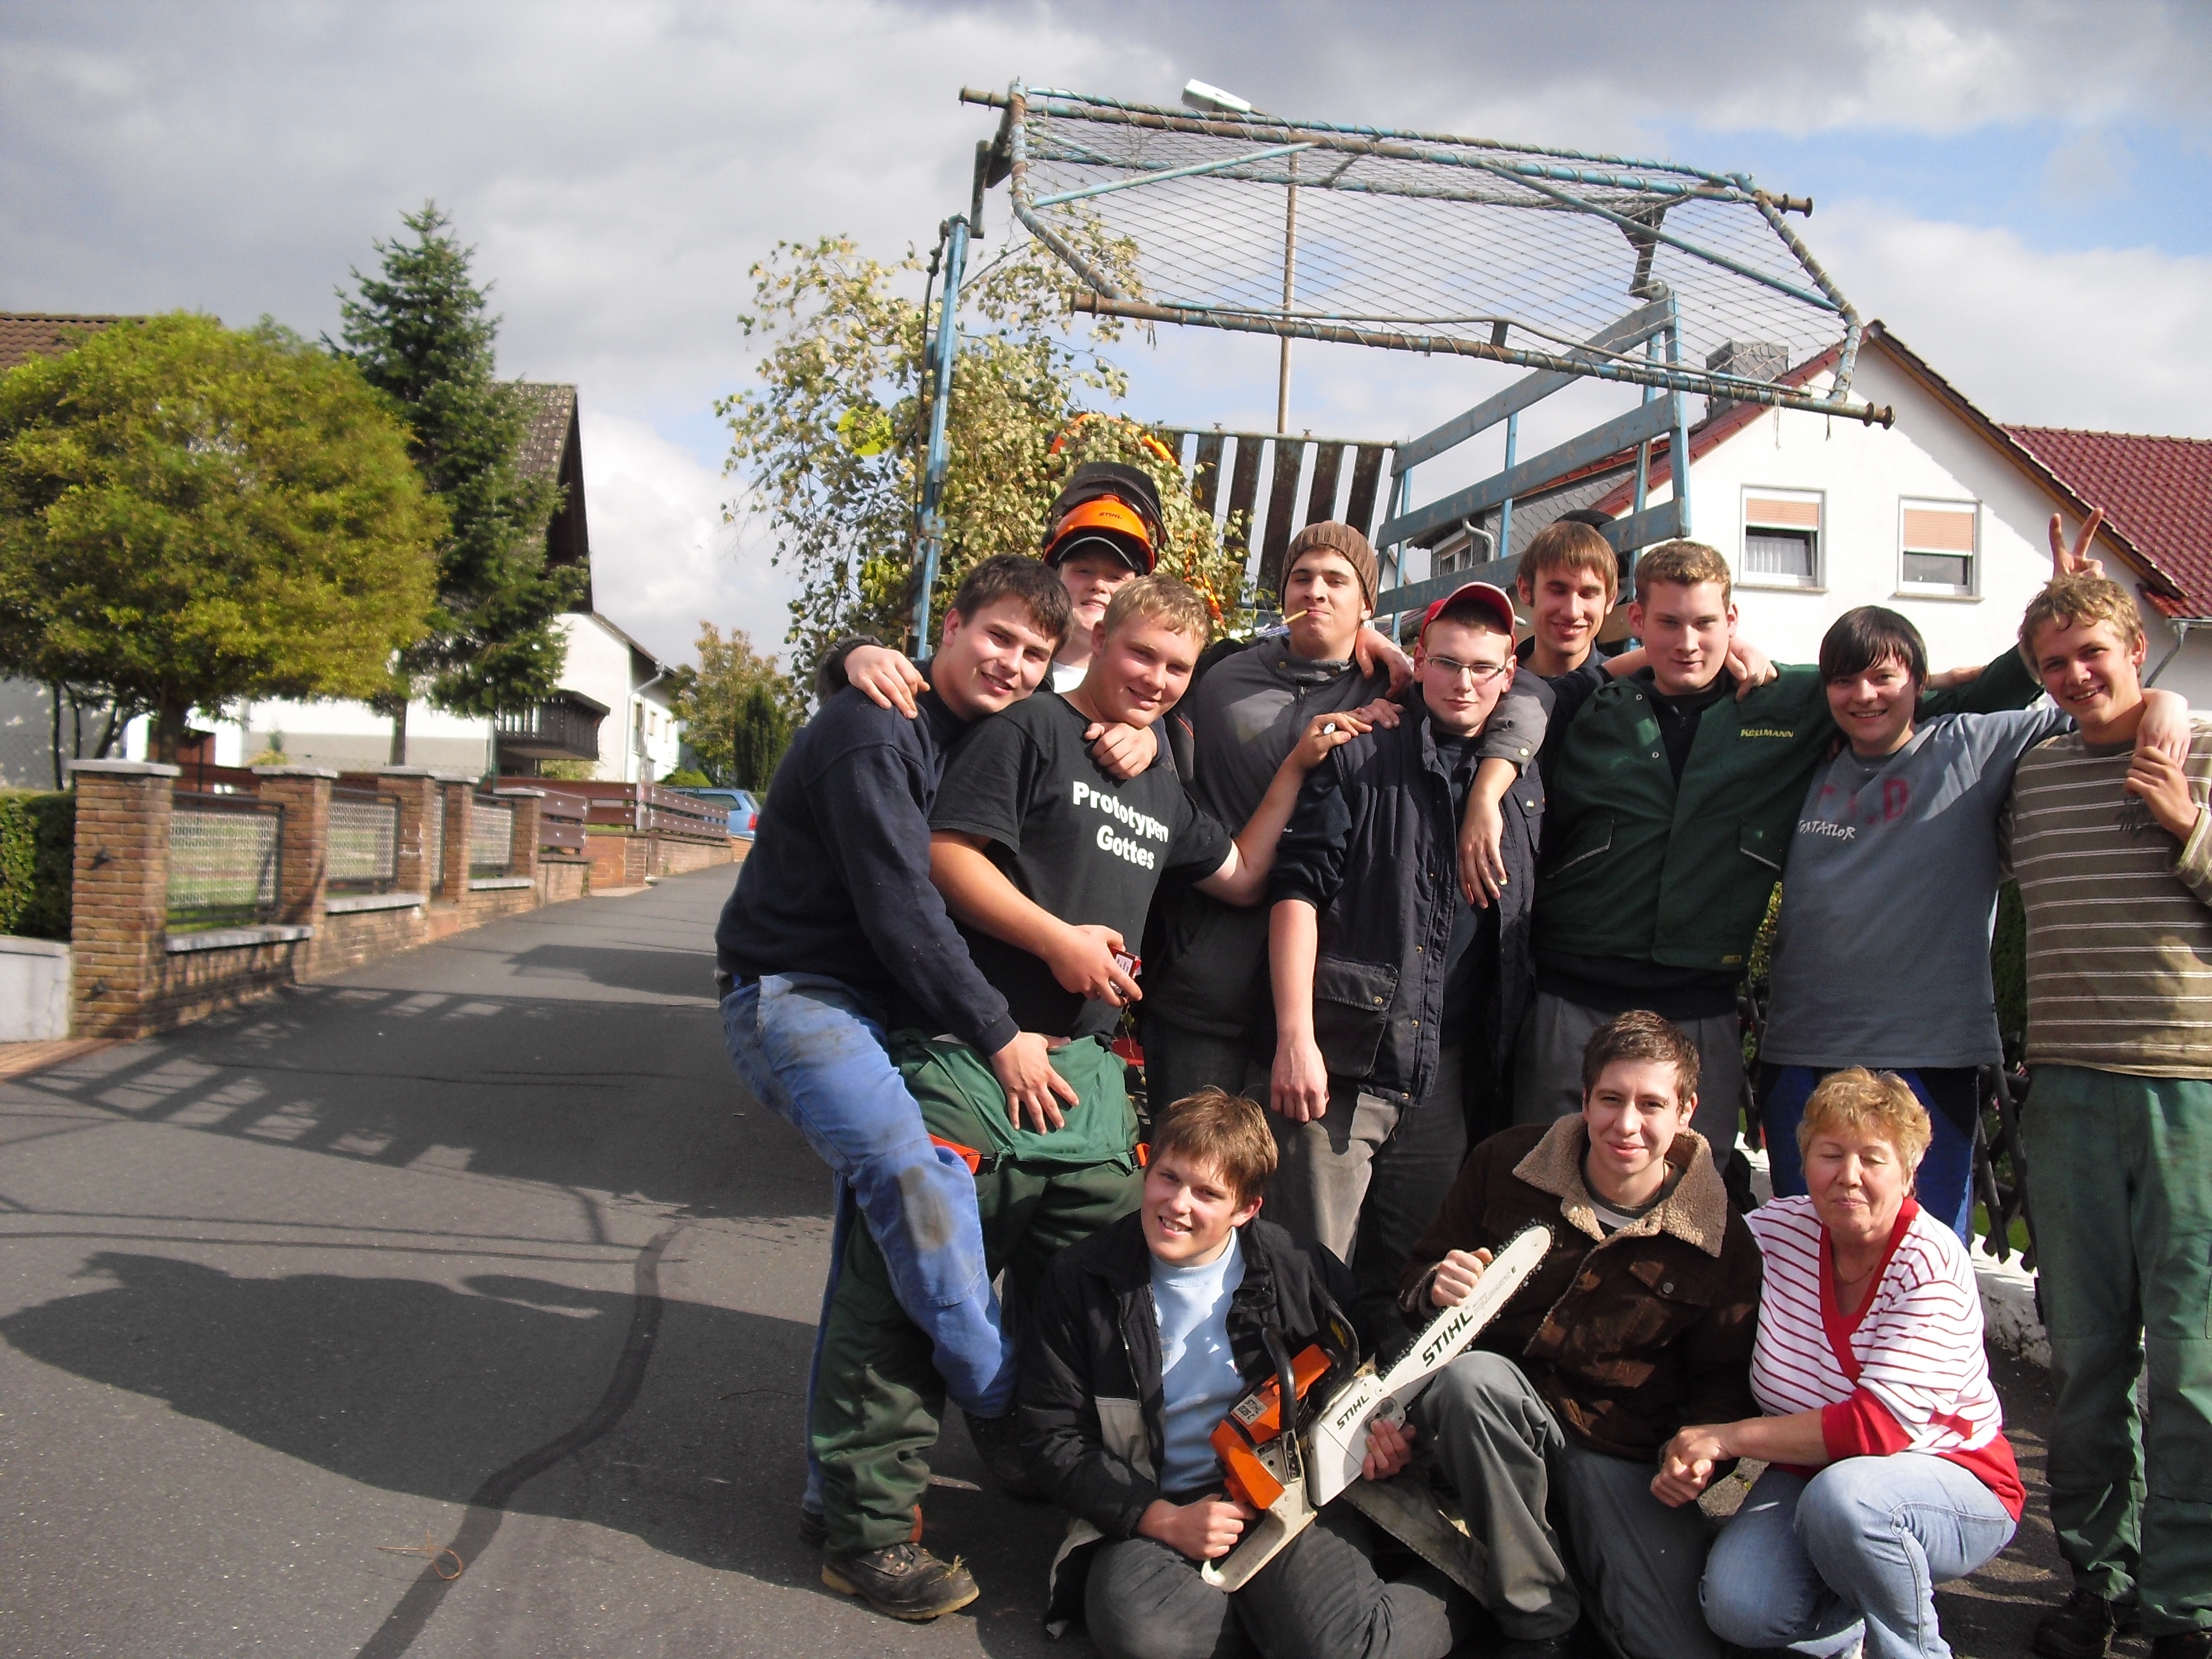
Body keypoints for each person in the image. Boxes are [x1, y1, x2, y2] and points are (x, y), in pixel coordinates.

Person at [806, 574, 1363, 1621]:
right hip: (971, 1055)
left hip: (1092, 1083)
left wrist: (1295, 762)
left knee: (1102, 1284)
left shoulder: (1158, 779)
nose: (1155, 679)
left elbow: (1242, 872)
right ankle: (864, 1532)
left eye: (1176, 668)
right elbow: (945, 855)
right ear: (1099, 641)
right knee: (911, 1298)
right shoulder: (1027, 731)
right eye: (1140, 654)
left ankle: (1045, 1453)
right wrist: (1056, 941)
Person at [713, 555, 1078, 1552]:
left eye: (1033, 654)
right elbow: (903, 910)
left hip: (875, 1011)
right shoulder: (874, 729)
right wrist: (999, 1034)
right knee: (919, 1179)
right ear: (949, 626)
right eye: (997, 636)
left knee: (872, 1249)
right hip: (795, 995)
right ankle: (1001, 1402)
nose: (1011, 664)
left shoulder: (974, 732)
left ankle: (831, 1494)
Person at [1520, 538, 2046, 1182]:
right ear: (1637, 620)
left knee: (1692, 1188)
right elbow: (1506, 705)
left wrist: (2042, 641)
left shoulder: (1789, 701)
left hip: (1699, 1002)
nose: (1688, 642)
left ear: (1732, 621)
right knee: (1547, 1173)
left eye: (1705, 623)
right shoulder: (1588, 704)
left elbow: (1925, 703)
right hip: (1572, 994)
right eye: (1669, 622)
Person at [1757, 521, 2187, 1239]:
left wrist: (2166, 701)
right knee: (1808, 1247)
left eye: (1885, 677)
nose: (1865, 695)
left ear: (1919, 683)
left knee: (1926, 1251)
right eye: (1845, 680)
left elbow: (2097, 706)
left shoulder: (1975, 745)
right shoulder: (1804, 761)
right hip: (1802, 1047)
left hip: (1931, 1055)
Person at [1018, 1087, 1474, 1659]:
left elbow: (1368, 1377)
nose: (1177, 1205)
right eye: (1167, 1178)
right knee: (1147, 1636)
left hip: (1289, 1499)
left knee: (1344, 1650)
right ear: (1148, 1168)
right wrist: (1159, 1519)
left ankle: (1461, 1589)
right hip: (1158, 1506)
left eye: (1207, 1193)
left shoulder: (1299, 1269)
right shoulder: (1080, 1278)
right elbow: (1052, 1434)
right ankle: (1291, 1623)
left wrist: (1384, 1438)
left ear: (1246, 1209)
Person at [1144, 523, 1546, 1113]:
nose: (1316, 592)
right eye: (1302, 578)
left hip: (1323, 995)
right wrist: (1135, 735)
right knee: (1189, 1150)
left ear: (1368, 603)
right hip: (1209, 974)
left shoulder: (1399, 689)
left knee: (1278, 1163)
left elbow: (1527, 695)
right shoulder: (1221, 675)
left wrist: (1486, 793)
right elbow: (1149, 697)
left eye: (1337, 580)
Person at [1400, 1010, 1763, 1659]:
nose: (1626, 1125)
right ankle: (1539, 1622)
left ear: (1687, 1112)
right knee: (1470, 1383)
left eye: (1652, 1105)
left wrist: (1701, 1459)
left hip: (1621, 1451)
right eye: (1611, 1099)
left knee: (1669, 1646)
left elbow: (1723, 1388)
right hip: (1500, 1421)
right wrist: (1434, 1285)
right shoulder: (1506, 1163)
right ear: (1586, 1097)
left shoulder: (1722, 1240)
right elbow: (1414, 1281)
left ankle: (1573, 1561)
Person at [2002, 569, 2212, 1659]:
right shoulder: (2034, 775)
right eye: (2054, 662)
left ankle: (2186, 1605)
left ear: (2138, 646)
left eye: (2094, 652)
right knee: (2085, 1359)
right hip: (2067, 1085)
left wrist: (2186, 823)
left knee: (2193, 1365)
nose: (2076, 676)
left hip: (2191, 1088)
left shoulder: (2202, 747)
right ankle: (2100, 1579)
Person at [1263, 580, 1542, 1335]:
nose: (1464, 683)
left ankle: (1384, 1414)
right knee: (1310, 1281)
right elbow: (1297, 893)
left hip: (1446, 1077)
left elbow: (1571, 683)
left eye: (1483, 668)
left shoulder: (1519, 774)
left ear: (1509, 675)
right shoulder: (1363, 753)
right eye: (1447, 663)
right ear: (1419, 661)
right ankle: (1294, 1408)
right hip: (1344, 1063)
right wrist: (1295, 1038)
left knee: (1414, 1287)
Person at [1670, 1068, 2023, 1659]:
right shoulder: (1776, 1233)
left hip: (1950, 1477)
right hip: (1815, 1473)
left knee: (1848, 1502)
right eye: (1830, 1155)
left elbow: (1875, 1430)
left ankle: (1912, 1648)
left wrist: (1724, 1438)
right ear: (1805, 1159)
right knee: (1739, 1608)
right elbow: (1680, 1265)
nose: (1849, 1176)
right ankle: (1852, 1610)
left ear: (1909, 1171)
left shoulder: (1930, 1261)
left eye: (1873, 1159)